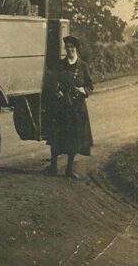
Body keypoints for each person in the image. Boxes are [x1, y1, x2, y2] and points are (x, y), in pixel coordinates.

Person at [43, 35, 94, 179]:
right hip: (61, 107)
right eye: (67, 47)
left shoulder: (83, 65)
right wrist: (56, 91)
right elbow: (52, 82)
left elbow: (90, 85)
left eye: (72, 47)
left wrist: (84, 90)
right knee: (56, 137)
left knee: (74, 138)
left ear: (76, 48)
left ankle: (69, 169)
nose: (70, 49)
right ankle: (53, 166)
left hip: (77, 108)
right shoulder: (60, 64)